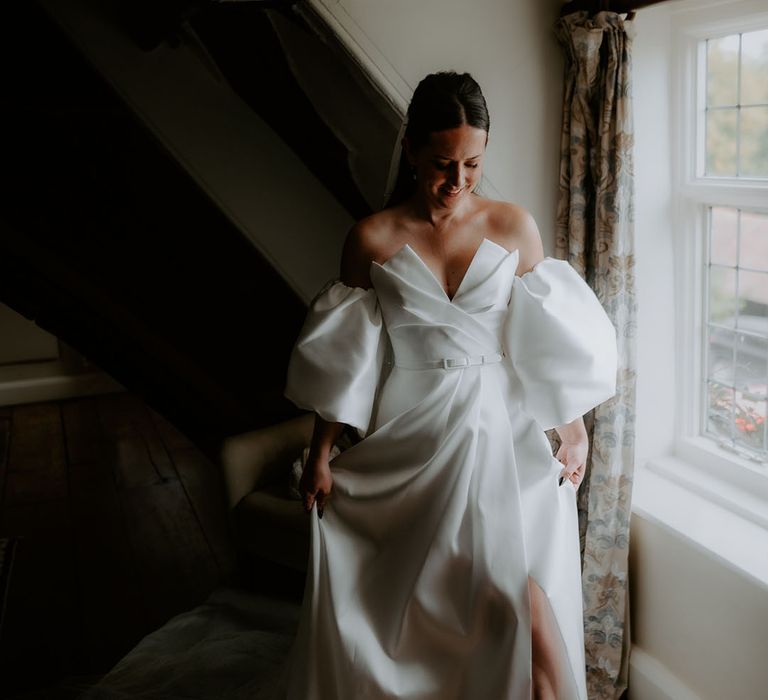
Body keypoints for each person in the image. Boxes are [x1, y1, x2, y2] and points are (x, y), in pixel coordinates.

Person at [281, 71, 617, 700]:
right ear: (410, 150)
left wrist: (571, 427)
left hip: (501, 429)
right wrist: (322, 452)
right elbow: (349, 356)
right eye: (442, 163)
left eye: (472, 163)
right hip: (415, 430)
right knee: (430, 605)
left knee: (526, 601)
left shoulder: (513, 225)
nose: (458, 181)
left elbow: (544, 338)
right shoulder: (372, 238)